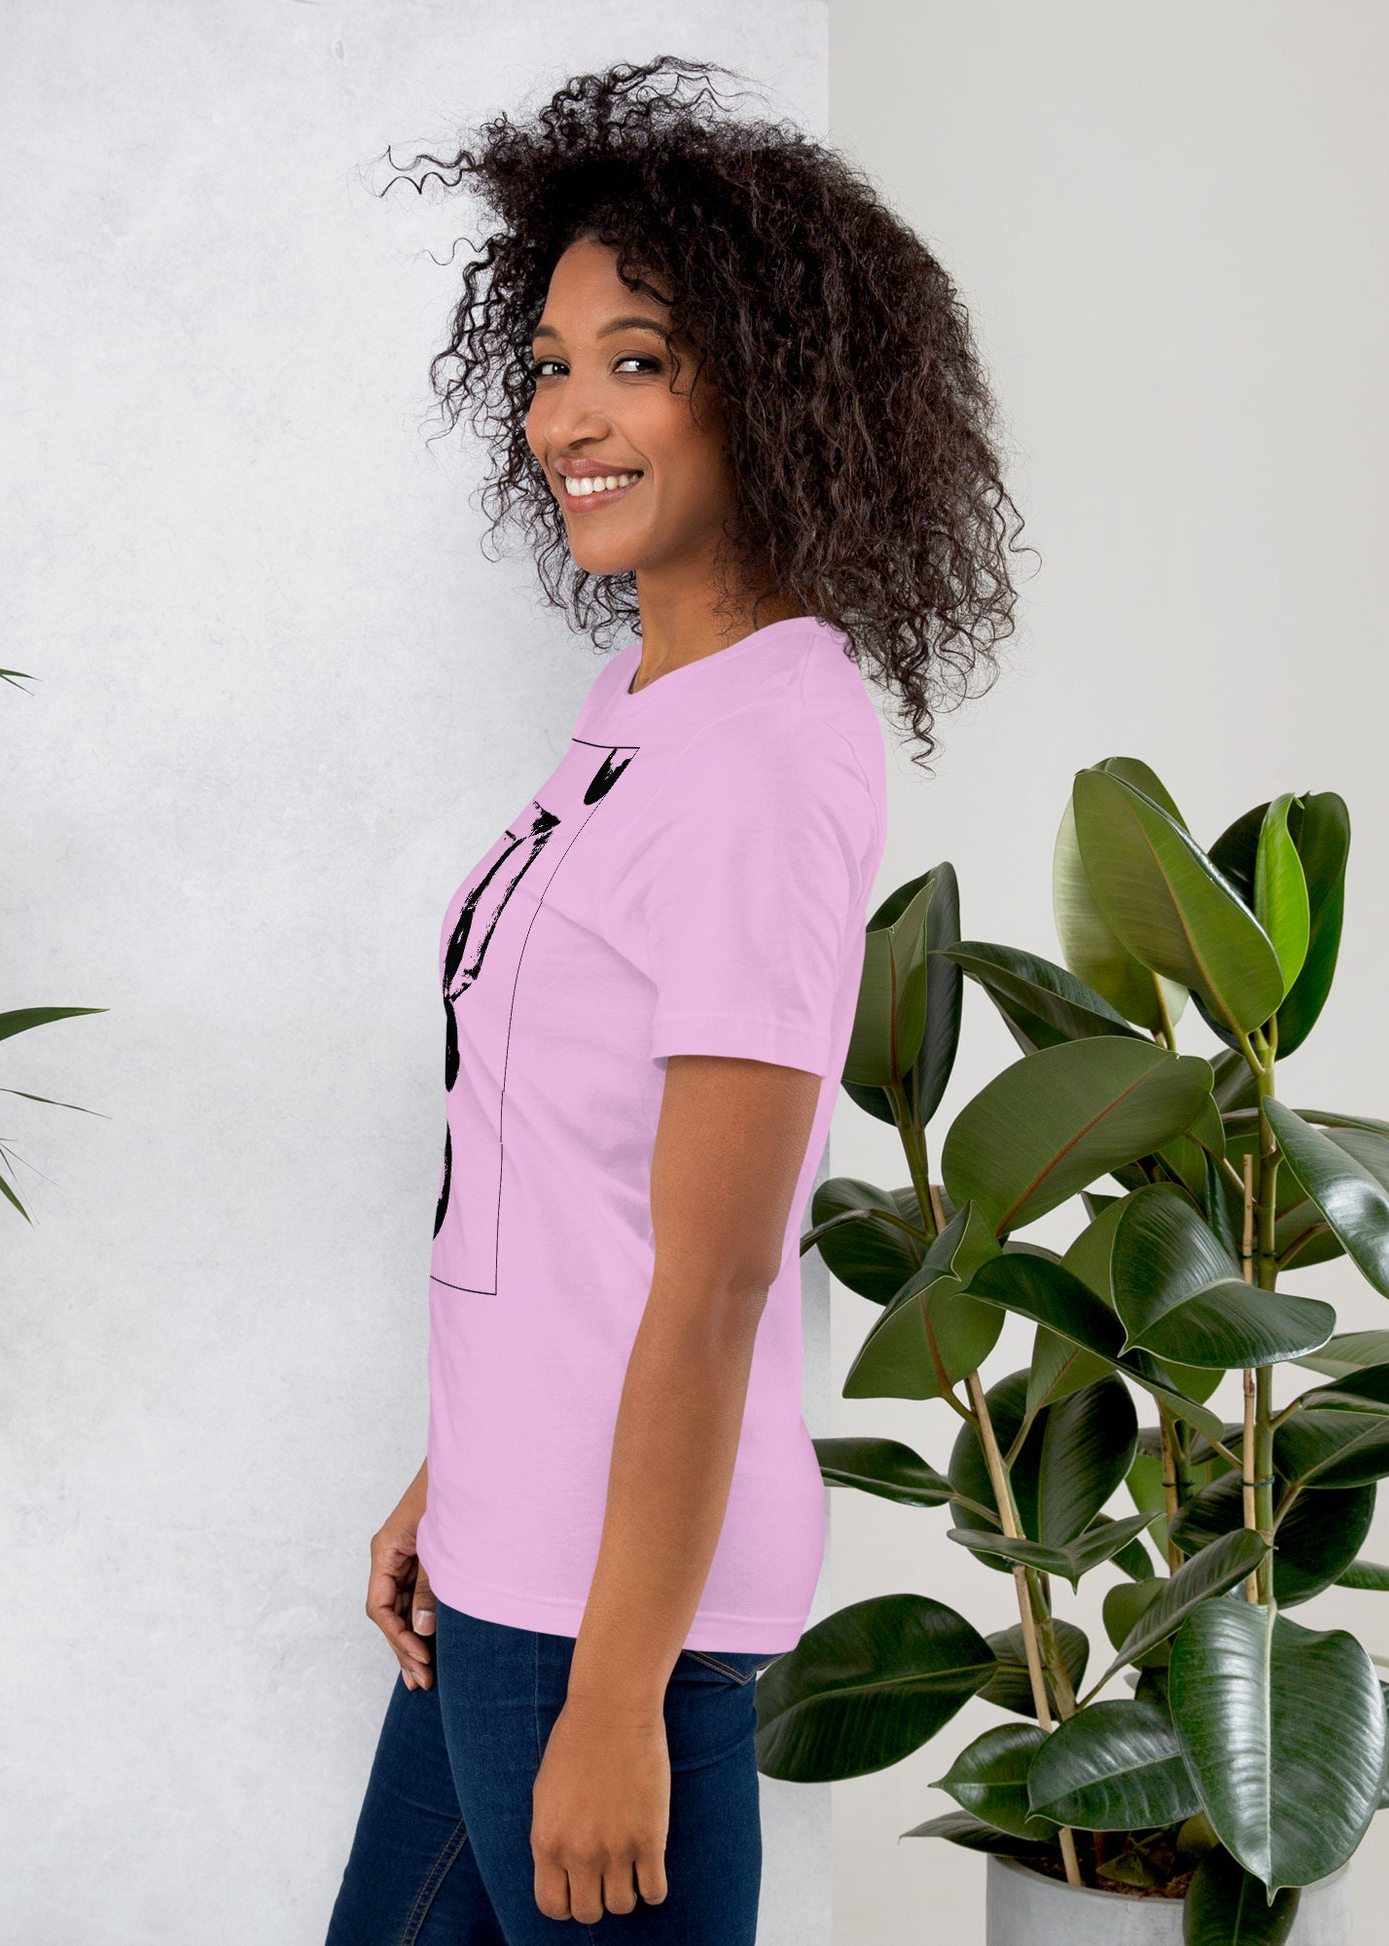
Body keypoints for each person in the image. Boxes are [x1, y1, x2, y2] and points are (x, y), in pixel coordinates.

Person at [326, 55, 1022, 1945]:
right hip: (509, 1562)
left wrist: (619, 1694)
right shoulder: (642, 708)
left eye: (636, 359)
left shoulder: (770, 753)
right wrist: (454, 1477)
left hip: (607, 1620)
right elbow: (561, 1183)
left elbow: (718, 1271)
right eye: (549, 365)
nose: (570, 416)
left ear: (778, 389)